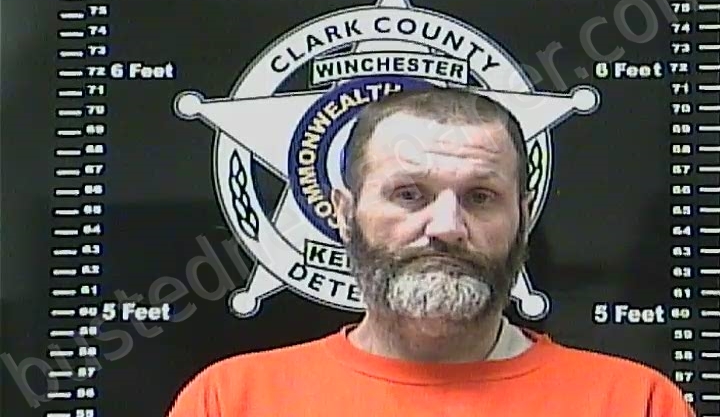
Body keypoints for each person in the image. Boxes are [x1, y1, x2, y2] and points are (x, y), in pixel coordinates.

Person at [167, 86, 695, 417]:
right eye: (409, 195)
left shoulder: (636, 403)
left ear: (524, 215)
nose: (446, 227)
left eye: (480, 197)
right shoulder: (231, 401)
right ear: (344, 212)